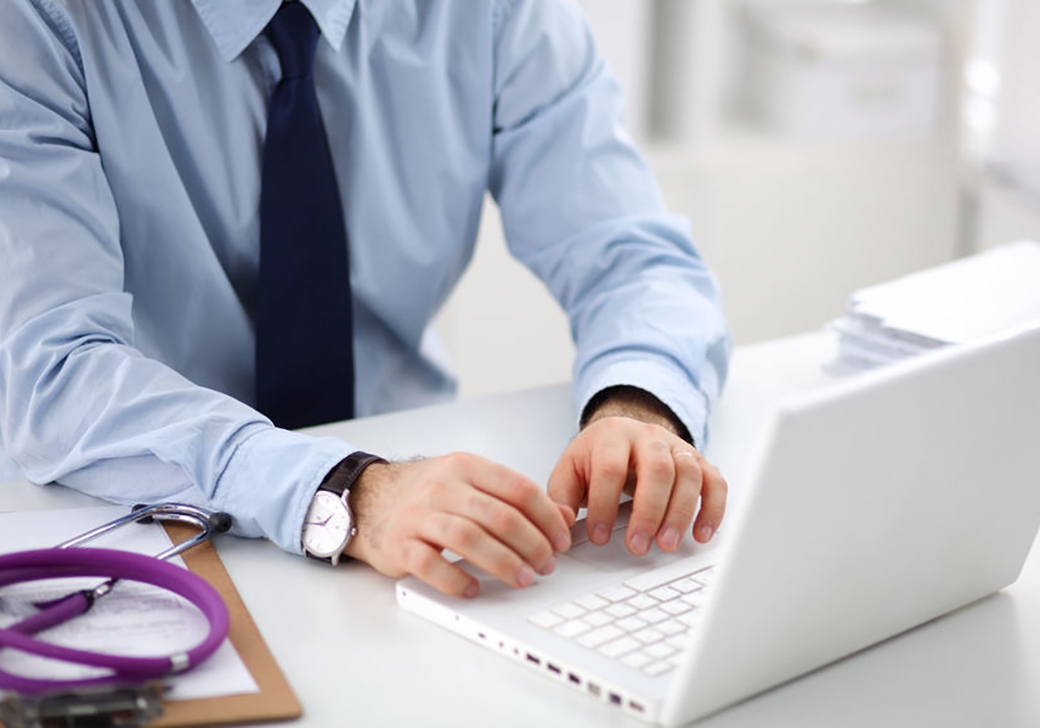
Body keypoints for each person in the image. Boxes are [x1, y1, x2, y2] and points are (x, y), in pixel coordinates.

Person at [0, 0, 731, 598]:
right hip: (131, 516)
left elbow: (631, 253)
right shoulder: (35, 21)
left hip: (412, 514)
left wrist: (637, 404)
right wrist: (346, 492)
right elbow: (54, 375)